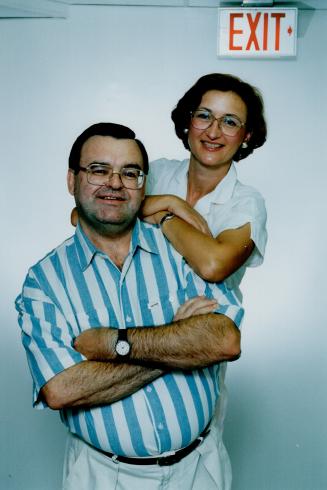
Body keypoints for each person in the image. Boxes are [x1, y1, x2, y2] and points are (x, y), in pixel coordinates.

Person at [16, 122, 243, 490]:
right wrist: (179, 340)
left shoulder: (181, 249)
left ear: (143, 184)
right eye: (99, 170)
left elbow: (224, 340)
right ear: (72, 181)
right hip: (104, 476)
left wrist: (112, 344)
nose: (115, 183)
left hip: (200, 469)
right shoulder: (44, 282)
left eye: (130, 172)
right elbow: (61, 389)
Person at [141, 73, 268, 436]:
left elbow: (213, 264)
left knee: (189, 451)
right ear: (187, 121)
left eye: (230, 122)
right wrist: (169, 200)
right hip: (133, 333)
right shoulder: (158, 173)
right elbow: (85, 214)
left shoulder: (246, 202)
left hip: (194, 351)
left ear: (247, 136)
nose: (213, 131)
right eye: (204, 116)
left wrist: (162, 215)